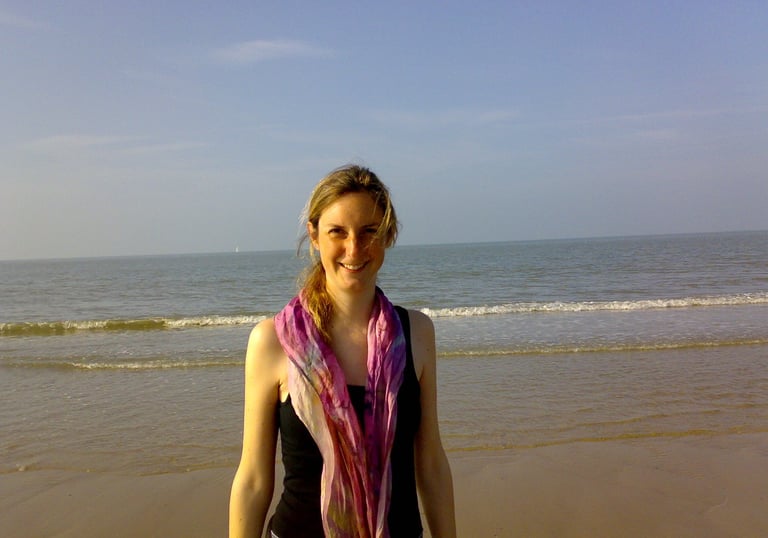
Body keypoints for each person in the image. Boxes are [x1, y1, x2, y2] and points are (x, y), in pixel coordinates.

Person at [229, 165, 456, 538]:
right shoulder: (272, 341)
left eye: (369, 232)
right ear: (314, 235)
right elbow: (253, 478)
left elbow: (430, 464)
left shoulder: (416, 333)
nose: (354, 248)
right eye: (338, 231)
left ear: (388, 235)